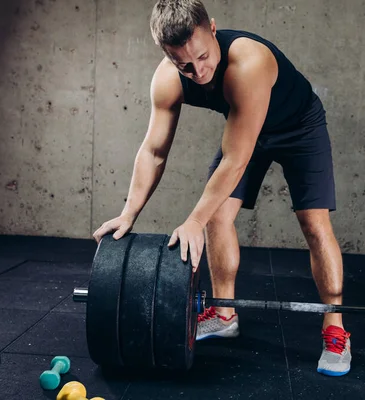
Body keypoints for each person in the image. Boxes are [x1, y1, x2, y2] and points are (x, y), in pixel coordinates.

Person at [92, 0, 351, 376]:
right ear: (167, 55)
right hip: (243, 131)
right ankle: (225, 313)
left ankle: (335, 327)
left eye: (203, 56)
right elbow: (153, 151)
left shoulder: (248, 62)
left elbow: (235, 160)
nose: (198, 72)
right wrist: (129, 212)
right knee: (216, 218)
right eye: (184, 64)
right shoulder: (167, 78)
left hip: (299, 128)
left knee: (314, 224)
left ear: (212, 28)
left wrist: (193, 220)